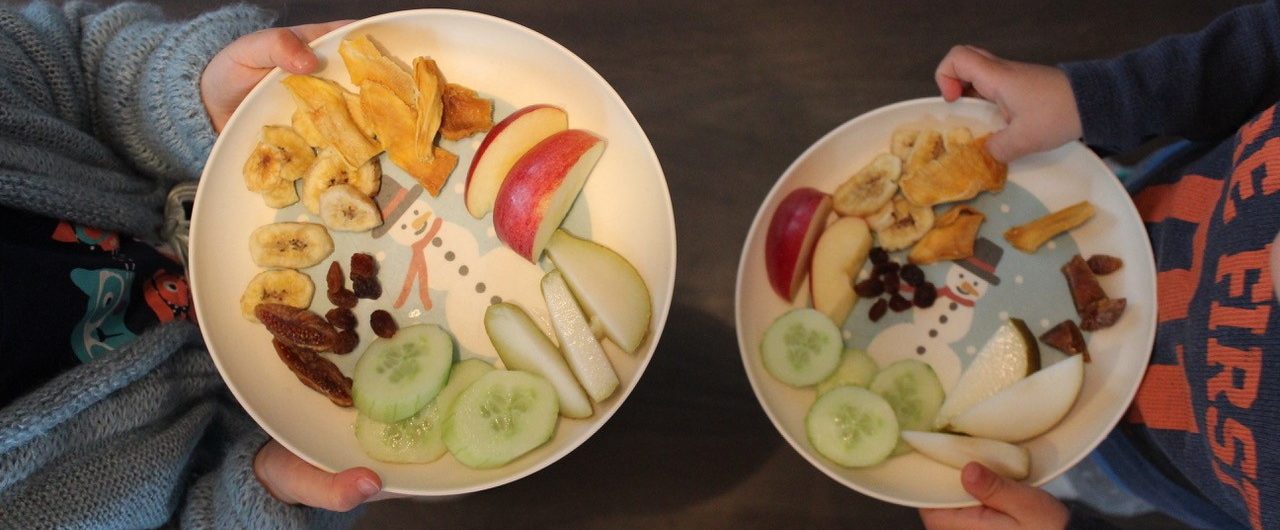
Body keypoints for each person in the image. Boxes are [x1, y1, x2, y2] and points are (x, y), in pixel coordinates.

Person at [0, 2, 385, 527]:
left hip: (197, 185)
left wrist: (193, 99)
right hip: (283, 436)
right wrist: (262, 500)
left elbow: (72, 61)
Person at [919, 2, 1280, 529]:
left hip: (1126, 457)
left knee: (1060, 476)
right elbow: (1263, 50)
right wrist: (1098, 100)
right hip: (1131, 204)